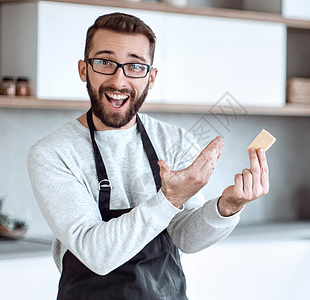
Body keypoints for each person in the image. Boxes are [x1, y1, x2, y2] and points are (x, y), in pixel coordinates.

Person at [27, 12, 269, 300]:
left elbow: (186, 238)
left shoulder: (175, 141)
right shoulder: (54, 153)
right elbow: (97, 254)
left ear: (151, 77)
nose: (119, 80)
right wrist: (169, 199)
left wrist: (228, 207)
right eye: (105, 62)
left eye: (134, 66)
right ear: (84, 70)